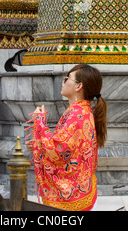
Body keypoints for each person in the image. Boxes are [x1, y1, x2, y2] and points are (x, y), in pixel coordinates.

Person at [25, 64, 107, 211]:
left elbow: (59, 151)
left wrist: (41, 122)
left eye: (67, 79)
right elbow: (68, 148)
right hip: (82, 191)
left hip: (72, 194)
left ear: (78, 86)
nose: (64, 82)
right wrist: (40, 144)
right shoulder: (81, 110)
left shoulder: (77, 114)